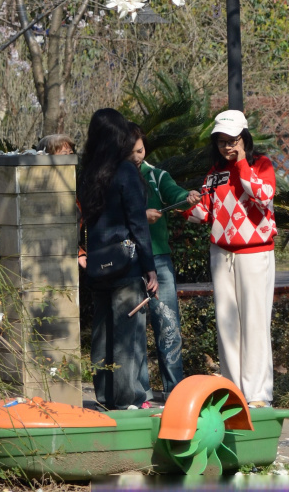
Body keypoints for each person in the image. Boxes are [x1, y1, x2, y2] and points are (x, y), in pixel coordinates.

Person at [185, 110, 276, 407]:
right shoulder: (214, 173)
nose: (228, 147)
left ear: (245, 139)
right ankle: (233, 391)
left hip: (255, 252)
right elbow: (206, 215)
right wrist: (189, 206)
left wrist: (242, 164)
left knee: (255, 322)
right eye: (222, 142)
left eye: (233, 140)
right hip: (221, 253)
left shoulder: (261, 165)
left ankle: (258, 394)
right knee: (227, 326)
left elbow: (263, 195)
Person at [77, 108, 158, 410]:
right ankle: (128, 398)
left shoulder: (87, 172)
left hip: (97, 265)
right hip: (125, 263)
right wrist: (149, 268)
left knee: (102, 333)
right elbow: (137, 223)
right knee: (127, 332)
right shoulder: (125, 171)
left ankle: (105, 396)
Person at [128, 124, 200, 397]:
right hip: (129, 259)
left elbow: (176, 195)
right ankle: (139, 392)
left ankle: (175, 390)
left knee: (168, 323)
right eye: (131, 151)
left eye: (140, 150)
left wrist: (186, 197)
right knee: (134, 329)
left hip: (158, 258)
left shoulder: (157, 176)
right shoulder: (116, 178)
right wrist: (139, 215)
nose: (137, 156)